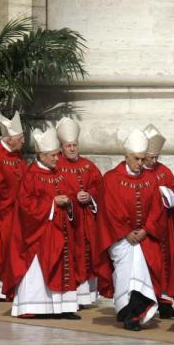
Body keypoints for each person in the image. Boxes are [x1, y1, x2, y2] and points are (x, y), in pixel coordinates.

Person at [98, 129, 170, 330]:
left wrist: (146, 230)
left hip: (145, 238)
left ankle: (134, 314)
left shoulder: (150, 178)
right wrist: (126, 232)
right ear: (126, 157)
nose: (141, 163)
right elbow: (109, 210)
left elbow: (157, 208)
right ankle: (127, 311)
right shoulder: (111, 178)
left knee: (142, 270)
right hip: (121, 238)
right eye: (137, 159)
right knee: (127, 274)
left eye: (142, 159)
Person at [9, 126, 81, 320]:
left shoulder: (60, 174)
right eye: (53, 156)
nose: (58, 159)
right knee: (38, 271)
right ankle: (37, 306)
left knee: (63, 265)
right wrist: (52, 203)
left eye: (58, 155)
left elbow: (70, 195)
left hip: (62, 230)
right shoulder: (31, 175)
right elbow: (25, 205)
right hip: (40, 233)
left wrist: (70, 202)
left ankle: (64, 307)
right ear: (41, 156)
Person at [55, 117, 104, 307]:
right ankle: (72, 296)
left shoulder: (88, 165)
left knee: (88, 255)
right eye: (68, 146)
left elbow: (100, 188)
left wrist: (90, 196)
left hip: (88, 221)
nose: (73, 149)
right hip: (69, 220)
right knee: (72, 255)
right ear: (61, 147)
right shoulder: (56, 166)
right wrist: (74, 199)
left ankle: (87, 296)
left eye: (75, 145)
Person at [141, 124, 174, 318]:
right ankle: (147, 300)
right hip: (144, 228)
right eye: (151, 157)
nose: (154, 161)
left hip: (164, 227)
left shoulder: (163, 171)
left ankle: (164, 302)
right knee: (148, 265)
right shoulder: (136, 170)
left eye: (157, 157)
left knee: (165, 263)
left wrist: (164, 193)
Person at [0, 111, 28, 300]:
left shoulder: (17, 154)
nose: (24, 141)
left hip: (18, 211)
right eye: (20, 138)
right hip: (3, 212)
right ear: (10, 139)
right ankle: (0, 286)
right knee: (2, 248)